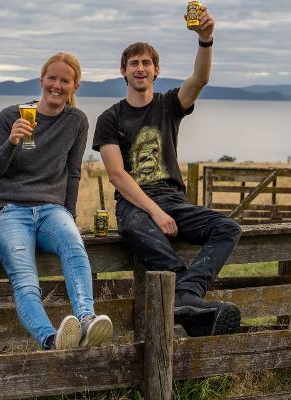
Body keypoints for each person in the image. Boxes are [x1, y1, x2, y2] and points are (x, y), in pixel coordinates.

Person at [92, 6, 242, 337]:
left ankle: (185, 296)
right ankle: (186, 297)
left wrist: (206, 40)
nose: (140, 68)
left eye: (146, 63)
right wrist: (156, 212)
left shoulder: (169, 105)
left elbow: (200, 78)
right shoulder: (110, 118)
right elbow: (117, 175)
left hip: (174, 199)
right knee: (136, 227)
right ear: (123, 71)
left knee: (228, 228)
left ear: (156, 71)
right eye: (134, 63)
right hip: (135, 204)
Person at [0, 52, 113, 350]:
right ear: (41, 80)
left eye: (64, 80)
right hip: (8, 211)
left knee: (73, 245)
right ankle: (51, 340)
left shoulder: (76, 121)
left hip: (52, 210)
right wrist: (10, 143)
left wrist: (67, 215)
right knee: (26, 280)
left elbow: (73, 173)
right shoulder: (10, 115)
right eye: (51, 78)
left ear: (74, 86)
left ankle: (88, 320)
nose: (57, 85)